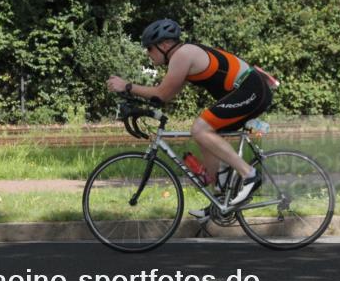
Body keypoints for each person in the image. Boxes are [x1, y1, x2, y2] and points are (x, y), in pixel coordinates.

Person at [106, 19, 273, 212]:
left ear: (164, 45)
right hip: (247, 90)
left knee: (200, 129)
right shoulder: (183, 56)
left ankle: (249, 174)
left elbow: (161, 94)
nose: (147, 53)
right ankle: (220, 200)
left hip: (251, 89)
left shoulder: (183, 55)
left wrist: (128, 86)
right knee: (205, 136)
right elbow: (164, 97)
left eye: (150, 48)